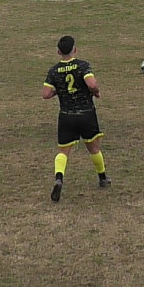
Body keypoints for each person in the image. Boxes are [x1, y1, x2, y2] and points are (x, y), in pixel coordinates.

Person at [41, 35, 109, 202]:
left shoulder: (54, 71)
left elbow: (46, 94)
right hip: (86, 114)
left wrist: (60, 89)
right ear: (75, 50)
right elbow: (91, 84)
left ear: (58, 51)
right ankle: (102, 178)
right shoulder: (82, 65)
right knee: (93, 148)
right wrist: (96, 92)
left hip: (66, 116)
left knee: (63, 151)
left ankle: (59, 178)